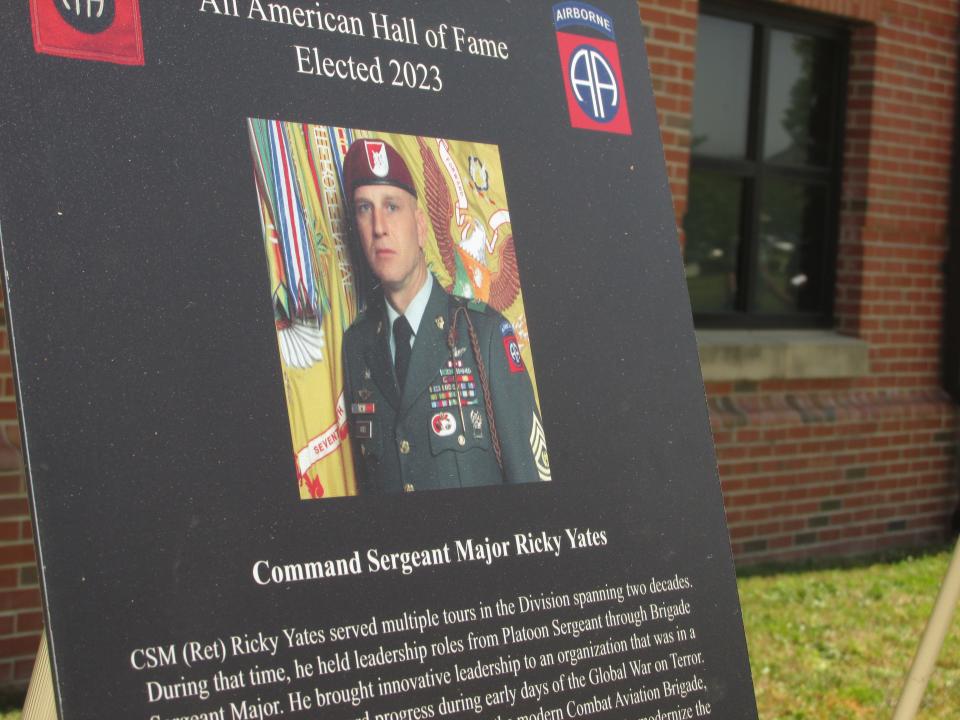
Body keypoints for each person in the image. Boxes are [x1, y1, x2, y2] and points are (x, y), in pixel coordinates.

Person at [340, 138, 550, 493]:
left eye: (391, 206)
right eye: (364, 208)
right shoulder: (356, 344)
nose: (378, 226)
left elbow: (532, 484)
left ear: (421, 227)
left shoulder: (483, 335)